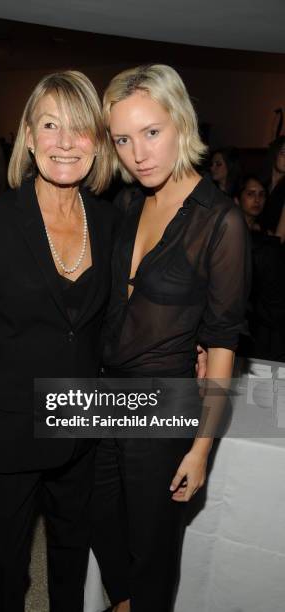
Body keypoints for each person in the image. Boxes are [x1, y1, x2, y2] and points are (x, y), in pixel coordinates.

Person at [0, 70, 118, 612]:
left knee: (71, 556)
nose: (65, 142)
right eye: (50, 125)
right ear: (29, 137)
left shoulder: (110, 221)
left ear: (97, 141)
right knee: (8, 568)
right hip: (8, 429)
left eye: (79, 127)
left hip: (80, 426)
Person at [91, 64, 250, 612]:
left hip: (163, 406)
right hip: (102, 396)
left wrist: (202, 449)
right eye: (123, 139)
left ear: (181, 122)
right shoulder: (129, 204)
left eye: (151, 132)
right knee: (102, 527)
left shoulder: (220, 221)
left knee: (152, 554)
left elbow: (223, 344)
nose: (138, 154)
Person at [235, 176, 285, 361]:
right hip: (241, 322)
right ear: (237, 199)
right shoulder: (229, 234)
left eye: (262, 195)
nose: (257, 199)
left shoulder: (267, 236)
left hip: (264, 324)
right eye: (250, 194)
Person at [259, 135, 285, 242]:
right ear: (274, 154)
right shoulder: (261, 183)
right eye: (283, 153)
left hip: (274, 249)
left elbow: (280, 237)